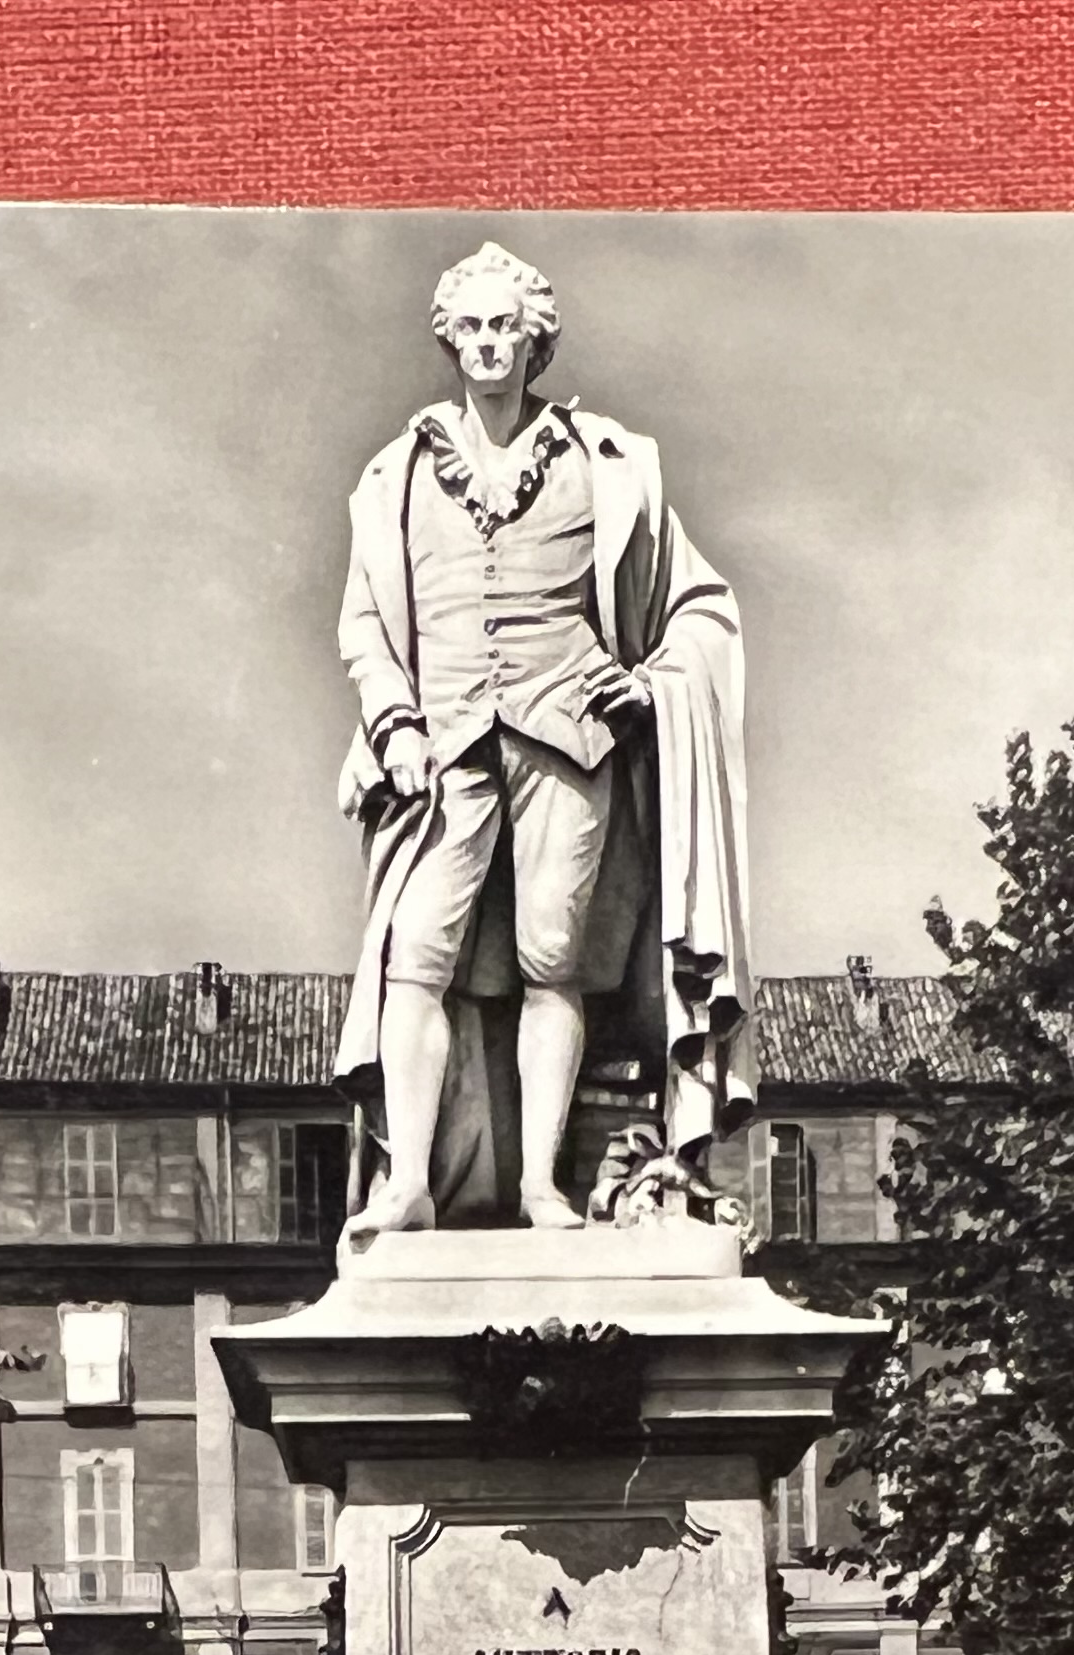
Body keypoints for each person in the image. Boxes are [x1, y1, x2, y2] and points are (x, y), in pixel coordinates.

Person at [333, 244, 755, 1239]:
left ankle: (537, 1187)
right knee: (414, 958)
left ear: (535, 342)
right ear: (449, 341)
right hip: (439, 745)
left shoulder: (608, 467)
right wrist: (392, 722)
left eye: (504, 329)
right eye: (472, 329)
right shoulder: (398, 476)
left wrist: (651, 684)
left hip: (570, 738)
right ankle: (412, 1188)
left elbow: (698, 606)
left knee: (552, 962)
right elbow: (364, 624)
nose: (488, 347)